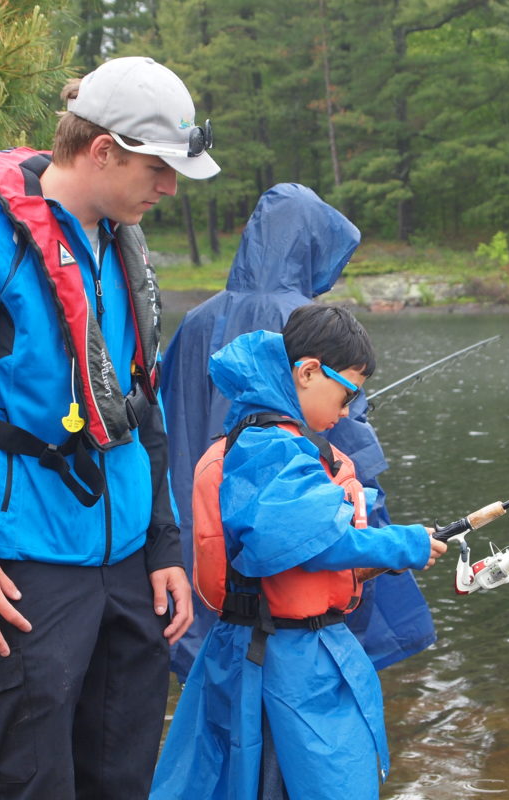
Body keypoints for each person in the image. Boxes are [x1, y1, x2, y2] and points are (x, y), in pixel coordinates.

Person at [0, 56, 219, 799]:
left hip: (130, 570)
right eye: (159, 168)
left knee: (122, 779)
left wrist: (163, 543)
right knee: (34, 782)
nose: (170, 187)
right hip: (22, 570)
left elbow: (145, 404)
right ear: (103, 150)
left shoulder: (122, 243)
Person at [150, 305, 448, 800]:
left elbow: (289, 551)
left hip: (264, 647)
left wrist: (377, 559)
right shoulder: (271, 448)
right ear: (307, 372)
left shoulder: (258, 442)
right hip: (281, 660)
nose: (350, 410)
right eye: (347, 392)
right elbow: (313, 545)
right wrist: (404, 543)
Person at [161, 183, 436, 683]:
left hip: (205, 521)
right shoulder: (303, 322)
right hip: (302, 543)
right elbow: (349, 450)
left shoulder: (198, 320)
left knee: (229, 657)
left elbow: (168, 416)